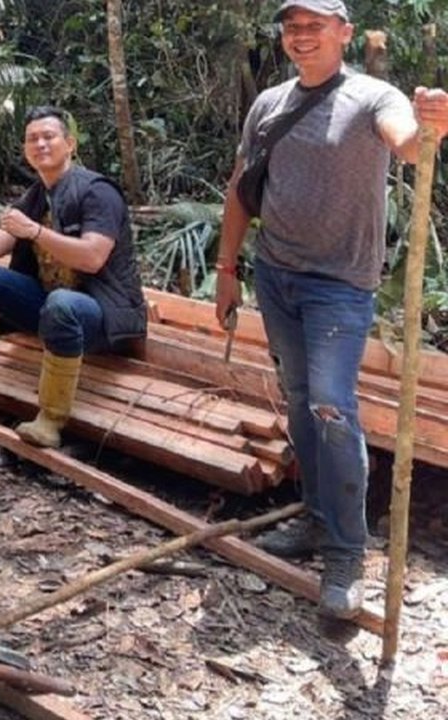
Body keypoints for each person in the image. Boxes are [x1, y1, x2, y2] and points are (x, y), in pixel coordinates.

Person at [216, 0, 448, 619]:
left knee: (331, 406)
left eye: (315, 25)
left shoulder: (374, 96)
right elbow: (242, 187)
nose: (301, 36)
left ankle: (347, 553)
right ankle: (318, 521)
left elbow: (406, 144)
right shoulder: (268, 104)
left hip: (339, 284)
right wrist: (226, 269)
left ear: (344, 33)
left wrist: (431, 126)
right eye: (292, 27)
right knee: (298, 401)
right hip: (276, 275)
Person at [0, 106, 147, 448]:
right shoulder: (35, 196)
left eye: (49, 136)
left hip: (103, 314)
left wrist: (34, 231)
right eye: (33, 138)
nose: (40, 144)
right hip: (52, 306)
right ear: (25, 150)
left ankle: (50, 420)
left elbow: (93, 258)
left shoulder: (97, 192)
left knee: (61, 303)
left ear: (70, 144)